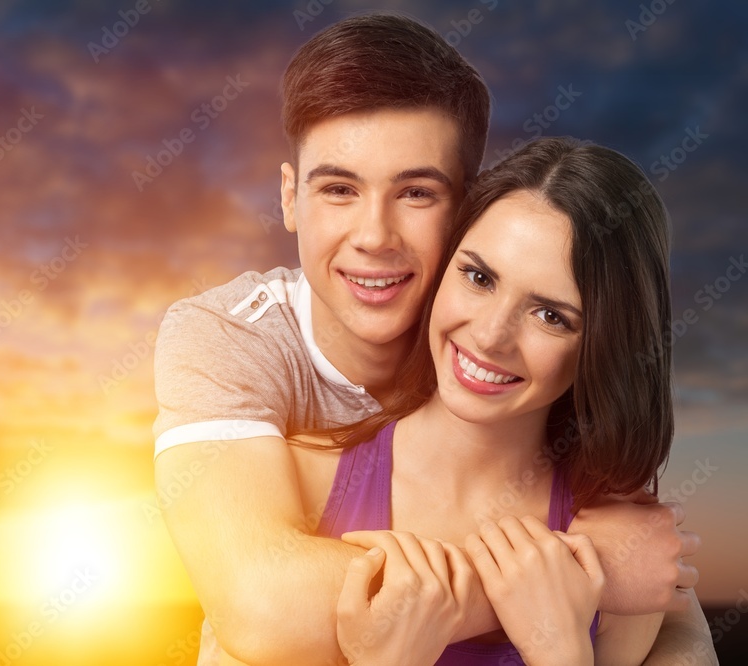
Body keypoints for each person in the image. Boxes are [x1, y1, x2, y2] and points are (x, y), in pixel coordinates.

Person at [152, 13, 712, 666]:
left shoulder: (607, 503)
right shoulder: (233, 347)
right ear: (289, 196)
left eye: (416, 192)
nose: (374, 237)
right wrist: (575, 572)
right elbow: (256, 607)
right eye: (338, 188)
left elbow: (666, 602)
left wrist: (570, 641)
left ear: (462, 207)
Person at [313, 137, 680, 664]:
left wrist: (563, 652)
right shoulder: (306, 481)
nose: (489, 337)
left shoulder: (628, 557)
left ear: (604, 346)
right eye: (479, 277)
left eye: (551, 315)